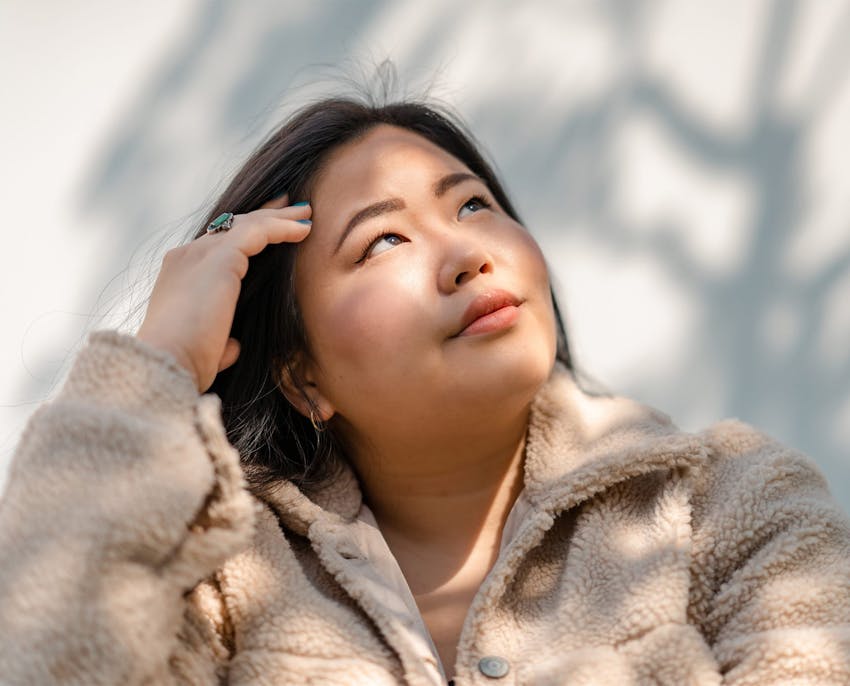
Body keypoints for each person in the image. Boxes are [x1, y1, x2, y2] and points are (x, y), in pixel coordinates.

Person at [1, 95, 849, 686]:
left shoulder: (731, 503)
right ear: (303, 375)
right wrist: (157, 368)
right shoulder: (219, 581)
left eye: (475, 205)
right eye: (382, 242)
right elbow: (44, 656)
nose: (467, 254)